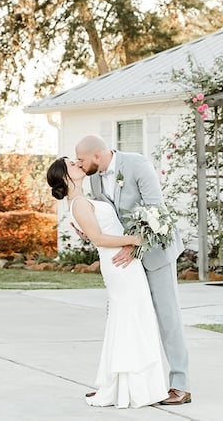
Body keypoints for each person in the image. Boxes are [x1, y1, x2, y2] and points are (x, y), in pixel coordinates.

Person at [75, 134, 191, 406]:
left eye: (81, 160)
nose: (79, 165)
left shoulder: (138, 165)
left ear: (97, 155)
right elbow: (107, 218)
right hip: (125, 258)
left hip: (156, 251)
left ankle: (181, 385)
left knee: (167, 317)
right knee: (120, 315)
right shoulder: (94, 179)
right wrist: (88, 232)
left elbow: (156, 211)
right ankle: (113, 386)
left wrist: (133, 246)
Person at [47, 156, 168, 408]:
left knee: (135, 318)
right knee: (129, 320)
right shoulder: (78, 203)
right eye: (71, 164)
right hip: (119, 265)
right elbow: (100, 239)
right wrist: (135, 240)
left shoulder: (82, 200)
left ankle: (137, 385)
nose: (78, 164)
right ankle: (128, 387)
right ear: (64, 177)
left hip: (125, 263)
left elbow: (97, 233)